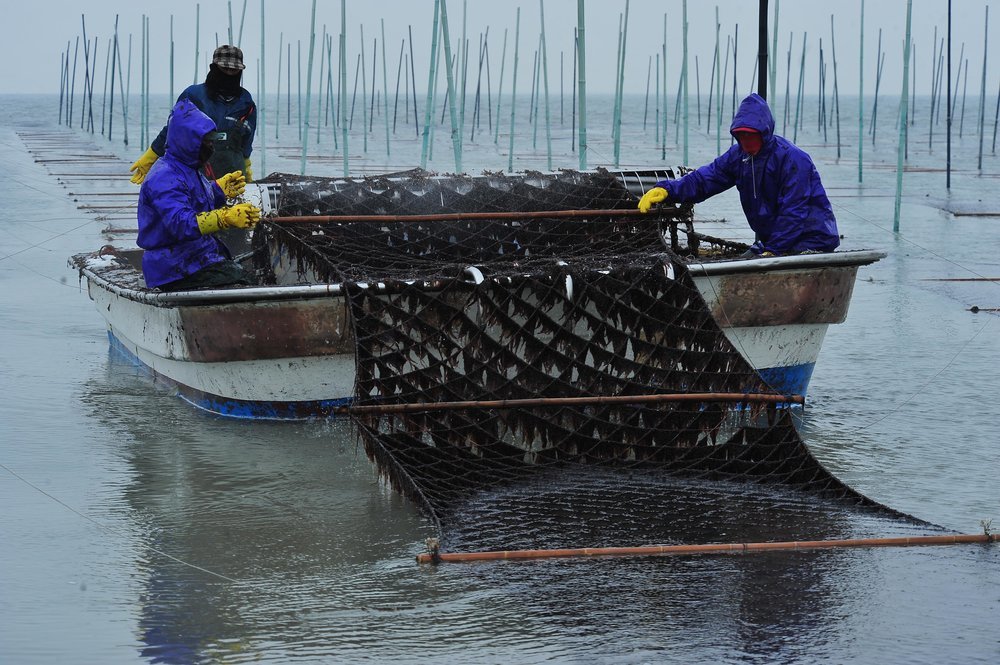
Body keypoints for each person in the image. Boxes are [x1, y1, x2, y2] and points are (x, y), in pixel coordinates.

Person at [637, 93, 840, 258]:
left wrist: (775, 250)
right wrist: (667, 189)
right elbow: (705, 179)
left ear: (764, 132)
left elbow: (794, 211)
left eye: (751, 134)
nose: (746, 140)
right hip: (774, 242)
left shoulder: (793, 159)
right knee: (746, 260)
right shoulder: (738, 157)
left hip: (812, 240)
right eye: (741, 135)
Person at [136, 98, 261, 291]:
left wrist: (218, 190)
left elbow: (192, 200)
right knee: (240, 279)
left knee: (243, 270)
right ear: (189, 142)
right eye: (207, 142)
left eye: (213, 141)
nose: (211, 147)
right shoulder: (163, 177)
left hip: (194, 257)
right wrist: (224, 217)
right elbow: (181, 223)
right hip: (172, 267)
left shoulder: (188, 168)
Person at [130, 44, 257, 185]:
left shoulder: (246, 103)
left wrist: (247, 169)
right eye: (224, 69)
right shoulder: (193, 96)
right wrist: (152, 156)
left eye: (234, 70)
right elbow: (172, 131)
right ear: (213, 68)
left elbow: (246, 143)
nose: (229, 74)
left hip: (234, 177)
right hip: (195, 176)